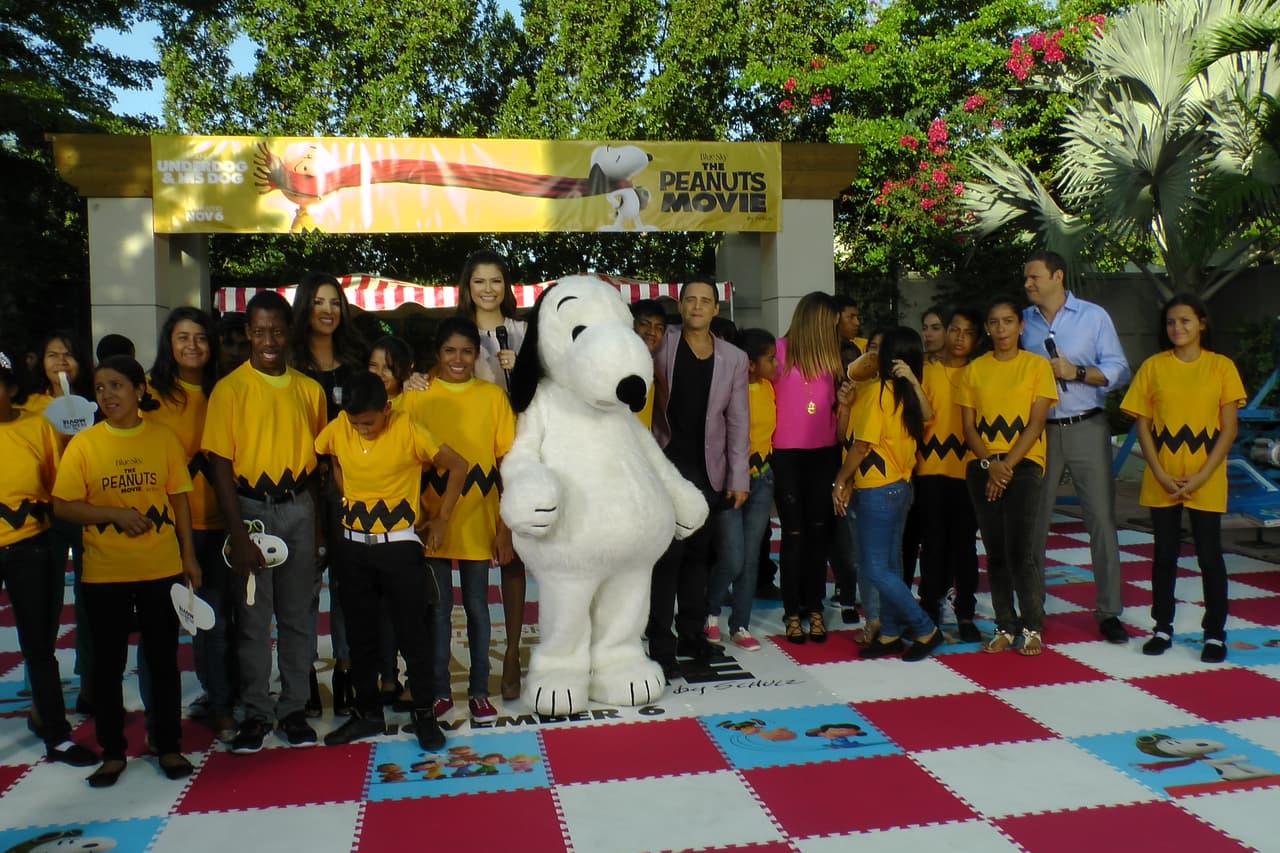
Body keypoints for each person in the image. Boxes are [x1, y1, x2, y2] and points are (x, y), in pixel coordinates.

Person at [52, 356, 200, 786]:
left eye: (116, 386)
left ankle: (168, 745)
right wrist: (111, 515)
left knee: (162, 662)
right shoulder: (85, 444)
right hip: (105, 574)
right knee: (107, 666)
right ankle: (113, 752)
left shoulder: (163, 439)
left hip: (161, 569)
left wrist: (189, 558)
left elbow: (180, 501)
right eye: (99, 388)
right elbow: (63, 505)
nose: (107, 395)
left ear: (139, 390)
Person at [203, 291, 327, 753]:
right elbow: (219, 465)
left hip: (298, 507)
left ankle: (293, 707)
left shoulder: (308, 390)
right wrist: (237, 535)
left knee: (298, 616)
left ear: (289, 332)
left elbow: (319, 467)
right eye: (260, 331)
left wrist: (317, 530)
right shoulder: (230, 390)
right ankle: (257, 710)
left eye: (278, 330)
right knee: (254, 620)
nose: (269, 339)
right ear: (248, 334)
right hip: (250, 511)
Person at [316, 372, 467, 747]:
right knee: (361, 636)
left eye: (368, 422)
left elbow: (459, 466)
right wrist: (345, 489)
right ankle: (367, 714)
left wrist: (442, 518)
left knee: (413, 634)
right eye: (355, 423)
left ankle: (423, 714)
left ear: (386, 408)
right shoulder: (339, 427)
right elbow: (329, 453)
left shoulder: (410, 430)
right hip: (352, 546)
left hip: (399, 545)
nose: (361, 430)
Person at [1120, 294, 1245, 663]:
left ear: (1202, 323)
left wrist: (1203, 474)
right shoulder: (1153, 367)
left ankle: (1215, 634)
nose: (1178, 328)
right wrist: (1158, 470)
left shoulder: (1221, 367)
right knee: (1164, 554)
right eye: (1172, 322)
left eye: (1186, 321)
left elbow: (1228, 429)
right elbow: (1142, 424)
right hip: (1162, 475)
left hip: (1205, 477)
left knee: (1209, 555)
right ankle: (1162, 626)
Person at [1021, 250, 1132, 644]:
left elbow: (1119, 369)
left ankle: (1109, 612)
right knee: (1034, 520)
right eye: (1026, 278)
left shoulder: (1093, 316)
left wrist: (1077, 373)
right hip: (1040, 432)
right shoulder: (1024, 323)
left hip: (1087, 425)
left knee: (1101, 519)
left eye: (1034, 277)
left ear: (1057, 276)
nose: (1028, 284)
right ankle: (1031, 609)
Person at [648, 278, 749, 677]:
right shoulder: (660, 343)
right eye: (690, 299)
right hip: (664, 467)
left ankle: (692, 635)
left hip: (710, 471)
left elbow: (738, 421)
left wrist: (738, 477)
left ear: (715, 310)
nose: (696, 306)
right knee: (667, 560)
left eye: (705, 301)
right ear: (680, 305)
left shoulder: (734, 359)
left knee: (698, 560)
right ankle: (661, 642)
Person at [0, 353, 97, 768]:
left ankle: (55, 733)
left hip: (31, 547)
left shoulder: (36, 427)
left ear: (11, 387)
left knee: (39, 645)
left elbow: (59, 489)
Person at [417, 317, 515, 723]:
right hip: (430, 523)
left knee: (477, 607)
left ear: (478, 355)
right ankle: (440, 691)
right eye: (449, 351)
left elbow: (509, 463)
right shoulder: (415, 397)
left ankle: (478, 690)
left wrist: (505, 527)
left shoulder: (492, 398)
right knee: (438, 611)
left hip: (479, 521)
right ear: (437, 354)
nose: (458, 359)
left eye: (467, 351)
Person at [146, 308, 235, 741]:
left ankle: (220, 705)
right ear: (169, 344)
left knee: (214, 624)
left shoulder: (226, 391)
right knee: (160, 631)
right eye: (183, 338)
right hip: (164, 530)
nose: (193, 346)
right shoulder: (149, 394)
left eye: (201, 337)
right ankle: (158, 723)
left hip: (218, 525)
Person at [832, 328, 941, 662]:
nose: (869, 356)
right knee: (889, 565)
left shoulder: (884, 391)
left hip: (879, 489)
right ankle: (891, 632)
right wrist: (846, 406)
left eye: (877, 350)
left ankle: (924, 627)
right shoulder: (891, 391)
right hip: (894, 487)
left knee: (875, 567)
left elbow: (862, 446)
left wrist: (840, 480)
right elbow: (846, 436)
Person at [957, 298, 1057, 656]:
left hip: (1024, 465)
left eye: (1008, 321)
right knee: (995, 549)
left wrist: (1007, 466)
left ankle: (1032, 625)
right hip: (982, 466)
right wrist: (990, 464)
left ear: (1021, 326)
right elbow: (968, 428)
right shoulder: (973, 370)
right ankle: (1004, 623)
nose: (1001, 329)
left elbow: (1036, 423)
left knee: (1020, 551)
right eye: (995, 322)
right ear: (987, 327)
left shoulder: (1036, 367)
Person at [289, 271, 369, 715]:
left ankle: (345, 672)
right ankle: (301, 676)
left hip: (349, 487)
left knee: (347, 585)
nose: (328, 310)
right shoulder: (285, 362)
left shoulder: (356, 360)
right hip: (299, 488)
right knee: (301, 587)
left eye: (335, 302)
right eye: (319, 302)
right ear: (305, 308)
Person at [456, 249, 527, 702]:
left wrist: (521, 373)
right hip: (469, 459)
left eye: (495, 281)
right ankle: (480, 650)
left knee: (515, 554)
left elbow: (548, 389)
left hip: (519, 453)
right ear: (467, 287)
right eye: (479, 281)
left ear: (506, 286)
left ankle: (513, 653)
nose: (488, 289)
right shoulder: (455, 335)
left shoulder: (523, 333)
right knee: (475, 554)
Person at [23, 332, 93, 713]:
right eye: (53, 355)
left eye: (69, 354)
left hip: (87, 510)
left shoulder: (92, 403)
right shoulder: (26, 405)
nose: (62, 362)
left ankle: (92, 685)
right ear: (38, 361)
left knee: (91, 600)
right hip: (44, 515)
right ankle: (42, 696)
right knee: (43, 603)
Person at [771, 293, 842, 644]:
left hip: (824, 455)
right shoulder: (778, 351)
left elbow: (836, 411)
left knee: (819, 534)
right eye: (830, 319)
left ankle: (814, 605)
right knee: (794, 534)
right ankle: (791, 610)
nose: (835, 326)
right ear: (814, 319)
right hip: (786, 455)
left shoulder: (835, 359)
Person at [706, 328, 776, 652]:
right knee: (732, 557)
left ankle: (741, 624)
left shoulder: (768, 389)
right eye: (770, 359)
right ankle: (710, 612)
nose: (776, 365)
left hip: (762, 479)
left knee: (750, 559)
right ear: (749, 363)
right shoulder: (725, 389)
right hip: (732, 484)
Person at [915, 308, 983, 642]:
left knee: (965, 546)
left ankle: (966, 612)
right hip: (929, 470)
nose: (959, 338)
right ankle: (930, 607)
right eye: (954, 330)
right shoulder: (925, 372)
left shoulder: (982, 373)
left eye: (967, 332)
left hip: (968, 470)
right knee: (932, 544)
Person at [901, 305, 951, 589]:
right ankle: (904, 598)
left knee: (938, 539)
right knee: (908, 537)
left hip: (949, 468)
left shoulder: (964, 370)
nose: (928, 334)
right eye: (925, 327)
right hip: (913, 464)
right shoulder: (916, 368)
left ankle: (935, 598)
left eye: (935, 328)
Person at [631, 299, 667, 429]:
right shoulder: (617, 365)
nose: (651, 331)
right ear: (631, 325)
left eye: (659, 328)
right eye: (644, 324)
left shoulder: (652, 368)